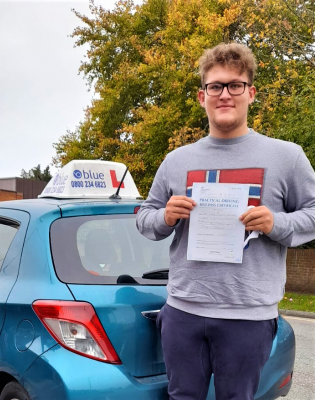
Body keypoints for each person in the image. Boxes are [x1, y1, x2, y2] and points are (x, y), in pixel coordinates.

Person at [136, 42, 315, 400]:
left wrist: (275, 223)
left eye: (235, 85)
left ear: (251, 92)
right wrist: (166, 217)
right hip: (183, 311)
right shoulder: (176, 160)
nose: (225, 94)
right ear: (202, 96)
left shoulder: (287, 157)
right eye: (215, 86)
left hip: (248, 316)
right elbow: (144, 217)